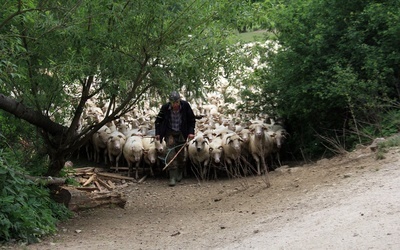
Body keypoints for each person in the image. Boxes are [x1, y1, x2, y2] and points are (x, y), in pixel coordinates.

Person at [155, 91, 196, 186]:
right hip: (170, 133)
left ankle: (180, 171)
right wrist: (158, 133)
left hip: (182, 132)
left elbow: (191, 120)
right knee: (170, 154)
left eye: (176, 102)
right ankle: (172, 177)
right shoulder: (165, 108)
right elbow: (158, 121)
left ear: (179, 101)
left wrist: (191, 132)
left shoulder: (185, 106)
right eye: (173, 103)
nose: (175, 105)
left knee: (181, 155)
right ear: (170, 102)